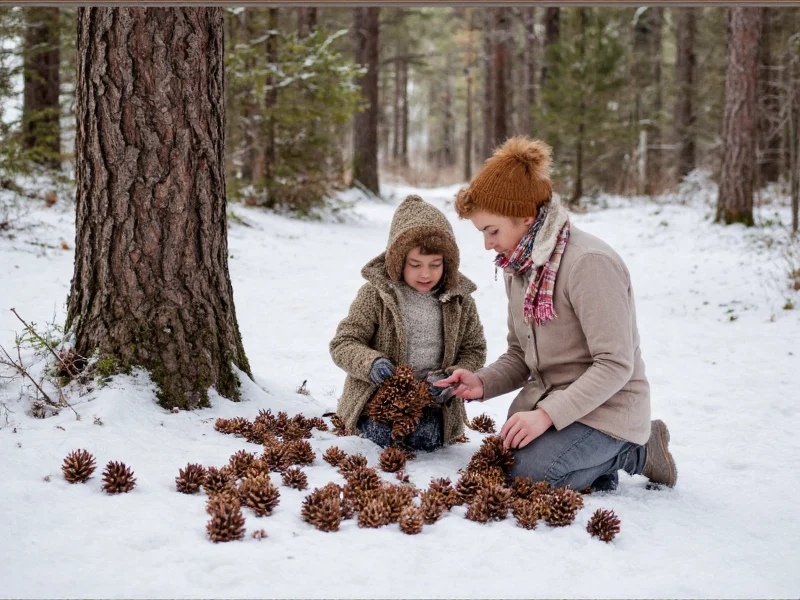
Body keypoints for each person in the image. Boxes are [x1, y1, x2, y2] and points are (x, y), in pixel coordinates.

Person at [435, 137, 677, 491]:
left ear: (526, 218)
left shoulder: (588, 264)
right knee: (504, 463)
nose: (487, 244)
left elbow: (615, 364)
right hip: (550, 401)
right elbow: (520, 355)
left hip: (607, 409)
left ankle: (636, 450)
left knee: (532, 476)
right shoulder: (517, 266)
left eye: (492, 231)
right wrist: (481, 382)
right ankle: (590, 465)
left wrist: (546, 416)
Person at [330, 194, 487, 451]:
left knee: (425, 440)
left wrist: (451, 378)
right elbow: (344, 342)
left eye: (435, 265)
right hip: (378, 397)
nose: (425, 274)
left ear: (447, 264)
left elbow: (474, 349)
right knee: (379, 439)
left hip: (432, 402)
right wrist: (371, 364)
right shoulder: (376, 294)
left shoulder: (459, 301)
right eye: (415, 265)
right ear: (398, 261)